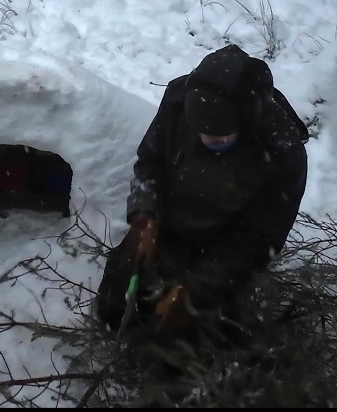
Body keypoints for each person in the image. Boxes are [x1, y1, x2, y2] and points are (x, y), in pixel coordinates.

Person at [95, 43, 309, 343]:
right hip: (167, 229)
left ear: (247, 122)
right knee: (117, 295)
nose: (208, 140)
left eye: (220, 136)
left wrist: (195, 291)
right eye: (200, 132)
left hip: (221, 250)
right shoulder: (179, 100)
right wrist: (145, 216)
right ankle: (116, 336)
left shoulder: (283, 153)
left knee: (183, 337)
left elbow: (258, 240)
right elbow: (150, 160)